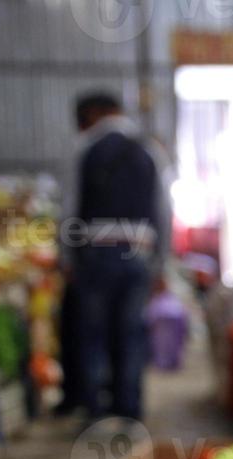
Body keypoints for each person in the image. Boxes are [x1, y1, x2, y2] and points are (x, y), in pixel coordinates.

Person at [64, 91, 167, 424]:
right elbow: (164, 212)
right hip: (138, 254)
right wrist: (162, 263)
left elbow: (68, 206)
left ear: (94, 114)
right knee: (131, 332)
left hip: (95, 254)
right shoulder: (148, 150)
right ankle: (129, 408)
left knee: (94, 332)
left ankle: (94, 409)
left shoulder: (85, 149)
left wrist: (65, 256)